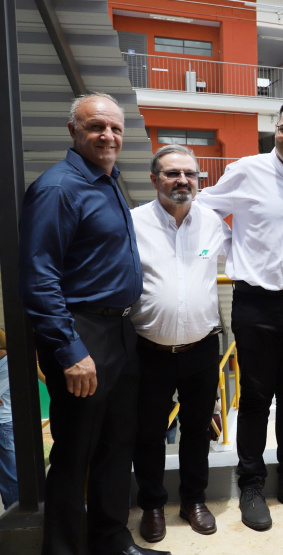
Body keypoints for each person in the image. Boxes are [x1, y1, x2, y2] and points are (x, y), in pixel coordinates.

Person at [19, 92, 169, 555]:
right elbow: (39, 277)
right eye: (95, 127)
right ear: (74, 131)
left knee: (115, 446)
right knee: (73, 453)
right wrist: (69, 351)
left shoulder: (107, 182)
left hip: (120, 332)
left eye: (115, 129)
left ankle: (112, 540)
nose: (108, 135)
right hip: (83, 333)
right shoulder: (58, 188)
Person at [195, 99, 283, 531]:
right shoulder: (246, 170)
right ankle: (252, 484)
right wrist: (226, 248)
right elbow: (206, 205)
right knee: (256, 397)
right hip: (254, 301)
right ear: (276, 130)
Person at [130, 145, 230, 542]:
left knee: (196, 430)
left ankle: (194, 500)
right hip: (148, 350)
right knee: (149, 432)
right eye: (172, 174)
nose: (182, 181)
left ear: (199, 180)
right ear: (155, 180)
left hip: (203, 348)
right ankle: (152, 504)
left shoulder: (212, 222)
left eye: (190, 174)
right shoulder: (133, 221)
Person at [0, 329, 18, 511]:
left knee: (10, 477)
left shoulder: (7, 365)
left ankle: (15, 514)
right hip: (5, 426)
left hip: (4, 425)